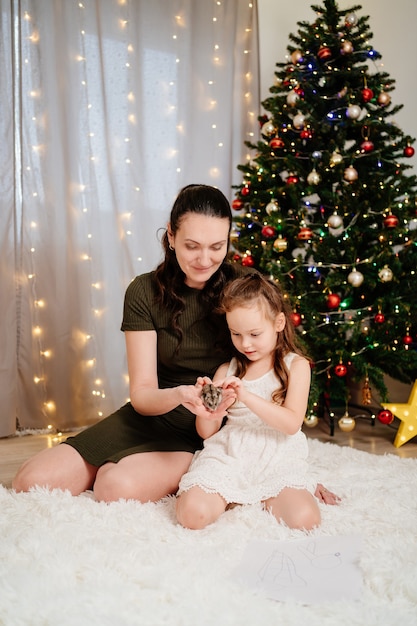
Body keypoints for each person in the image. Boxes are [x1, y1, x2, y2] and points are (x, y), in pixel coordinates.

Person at [13, 184, 336, 506]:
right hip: (154, 410)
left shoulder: (242, 287)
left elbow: (278, 368)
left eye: (217, 246)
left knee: (113, 488)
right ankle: (128, 460)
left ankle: (174, 468)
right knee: (30, 482)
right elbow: (142, 396)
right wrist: (181, 394)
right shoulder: (143, 291)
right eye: (192, 246)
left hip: (206, 429)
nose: (204, 259)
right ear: (170, 236)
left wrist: (292, 474)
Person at [176, 273, 335, 531]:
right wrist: (209, 410)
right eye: (236, 334)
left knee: (306, 520)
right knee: (192, 515)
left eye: (254, 334)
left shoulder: (296, 366)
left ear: (279, 323)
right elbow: (206, 434)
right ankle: (229, 492)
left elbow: (291, 424)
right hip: (231, 454)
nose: (245, 343)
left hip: (277, 453)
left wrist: (246, 395)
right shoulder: (227, 370)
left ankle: (268, 495)